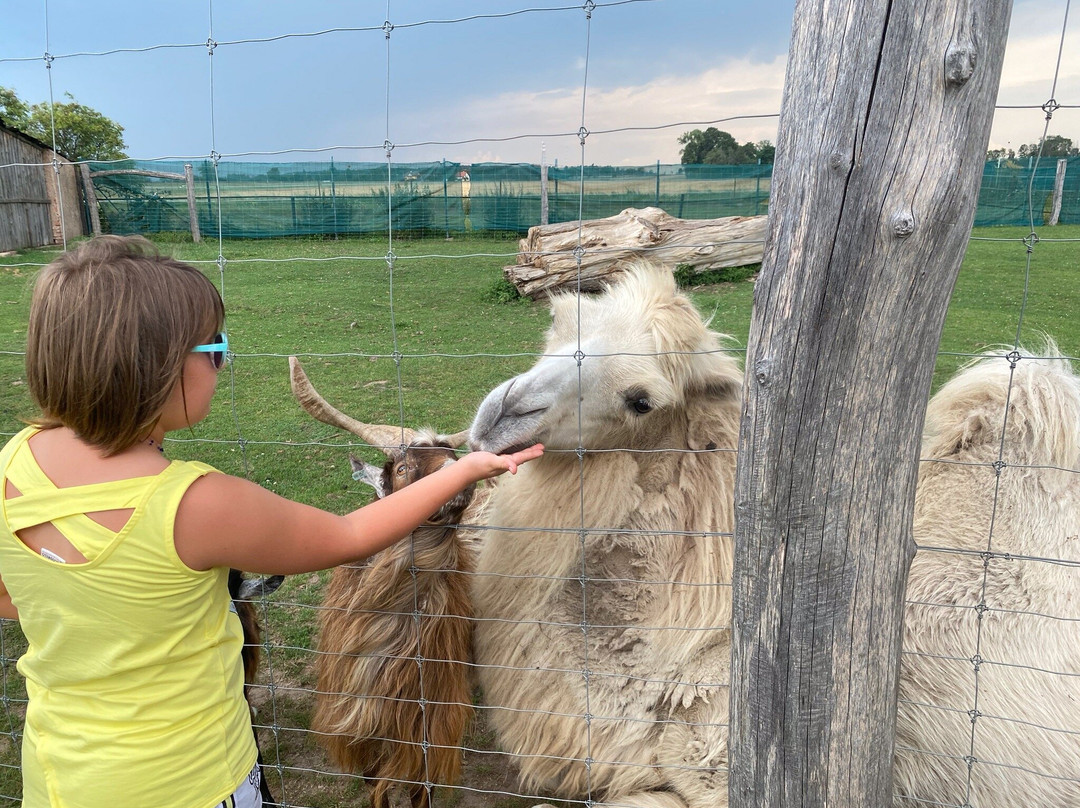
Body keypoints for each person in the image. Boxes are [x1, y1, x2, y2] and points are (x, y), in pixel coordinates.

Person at [0, 235, 542, 808]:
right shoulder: (197, 503)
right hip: (192, 780)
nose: (224, 361)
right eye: (215, 348)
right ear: (155, 369)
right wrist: (460, 474)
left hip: (59, 774)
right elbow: (350, 536)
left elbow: (13, 596)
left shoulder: (14, 464)